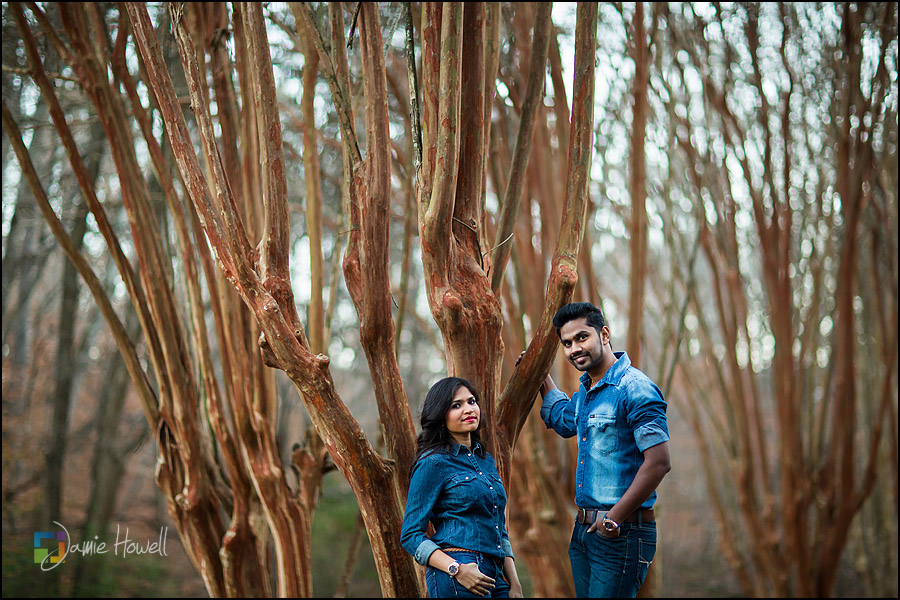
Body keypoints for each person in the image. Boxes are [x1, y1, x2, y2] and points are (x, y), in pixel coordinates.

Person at [525, 302, 671, 598]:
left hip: (621, 533)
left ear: (604, 334)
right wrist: (541, 374)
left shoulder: (635, 388)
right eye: (567, 343)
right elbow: (563, 419)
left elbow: (658, 462)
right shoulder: (588, 393)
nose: (574, 348)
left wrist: (614, 518)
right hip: (584, 533)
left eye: (582, 337)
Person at [401, 377, 523, 598]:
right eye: (456, 405)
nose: (468, 409)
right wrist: (456, 569)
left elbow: (499, 529)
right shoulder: (433, 462)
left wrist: (515, 583)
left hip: (496, 575)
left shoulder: (486, 461)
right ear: (440, 416)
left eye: (471, 401)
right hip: (458, 574)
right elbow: (410, 534)